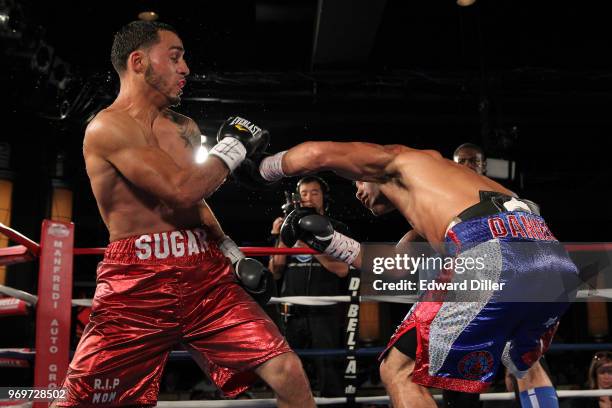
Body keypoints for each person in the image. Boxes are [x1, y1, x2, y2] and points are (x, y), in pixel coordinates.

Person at [52, 21, 315, 407]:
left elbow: (196, 204)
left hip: (204, 272)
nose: (185, 68)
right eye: (174, 57)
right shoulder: (107, 127)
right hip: (135, 283)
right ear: (138, 62)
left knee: (287, 371)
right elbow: (181, 190)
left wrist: (231, 252)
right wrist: (234, 145)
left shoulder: (183, 127)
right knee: (81, 399)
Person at [250, 141, 578, 408]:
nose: (357, 192)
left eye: (358, 181)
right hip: (553, 261)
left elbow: (316, 154)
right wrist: (330, 242)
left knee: (398, 369)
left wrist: (263, 168)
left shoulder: (400, 160)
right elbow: (396, 266)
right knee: (520, 363)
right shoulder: (454, 191)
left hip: (491, 254)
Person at [269, 175, 350, 397]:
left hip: (325, 312)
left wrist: (309, 242)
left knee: (329, 373)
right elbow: (275, 271)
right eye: (303, 193)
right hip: (292, 313)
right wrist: (281, 236)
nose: (308, 198)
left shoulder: (336, 228)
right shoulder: (289, 229)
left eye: (314, 192)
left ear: (324, 197)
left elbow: (342, 269)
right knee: (289, 373)